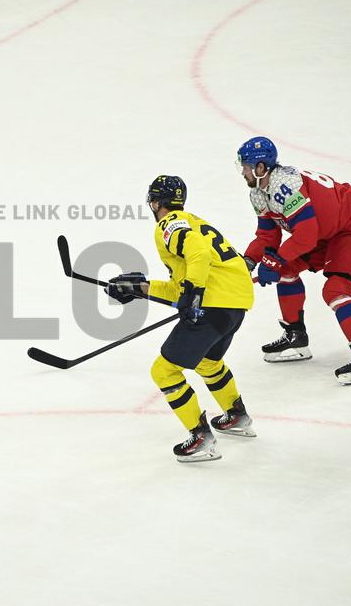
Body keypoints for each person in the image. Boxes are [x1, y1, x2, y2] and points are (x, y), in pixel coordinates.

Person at [106, 175, 255, 463]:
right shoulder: (193, 221)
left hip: (213, 304)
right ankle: (237, 416)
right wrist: (140, 288)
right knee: (207, 362)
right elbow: (181, 286)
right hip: (234, 304)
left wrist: (194, 293)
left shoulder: (169, 223)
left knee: (164, 372)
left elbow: (197, 256)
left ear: (155, 202)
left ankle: (201, 438)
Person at [236, 136, 351, 385]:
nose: (242, 172)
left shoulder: (287, 185)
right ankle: (296, 337)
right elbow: (267, 236)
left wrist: (274, 262)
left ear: (260, 167)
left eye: (245, 166)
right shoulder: (259, 193)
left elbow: (305, 236)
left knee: (335, 290)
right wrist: (247, 263)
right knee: (285, 270)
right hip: (323, 233)